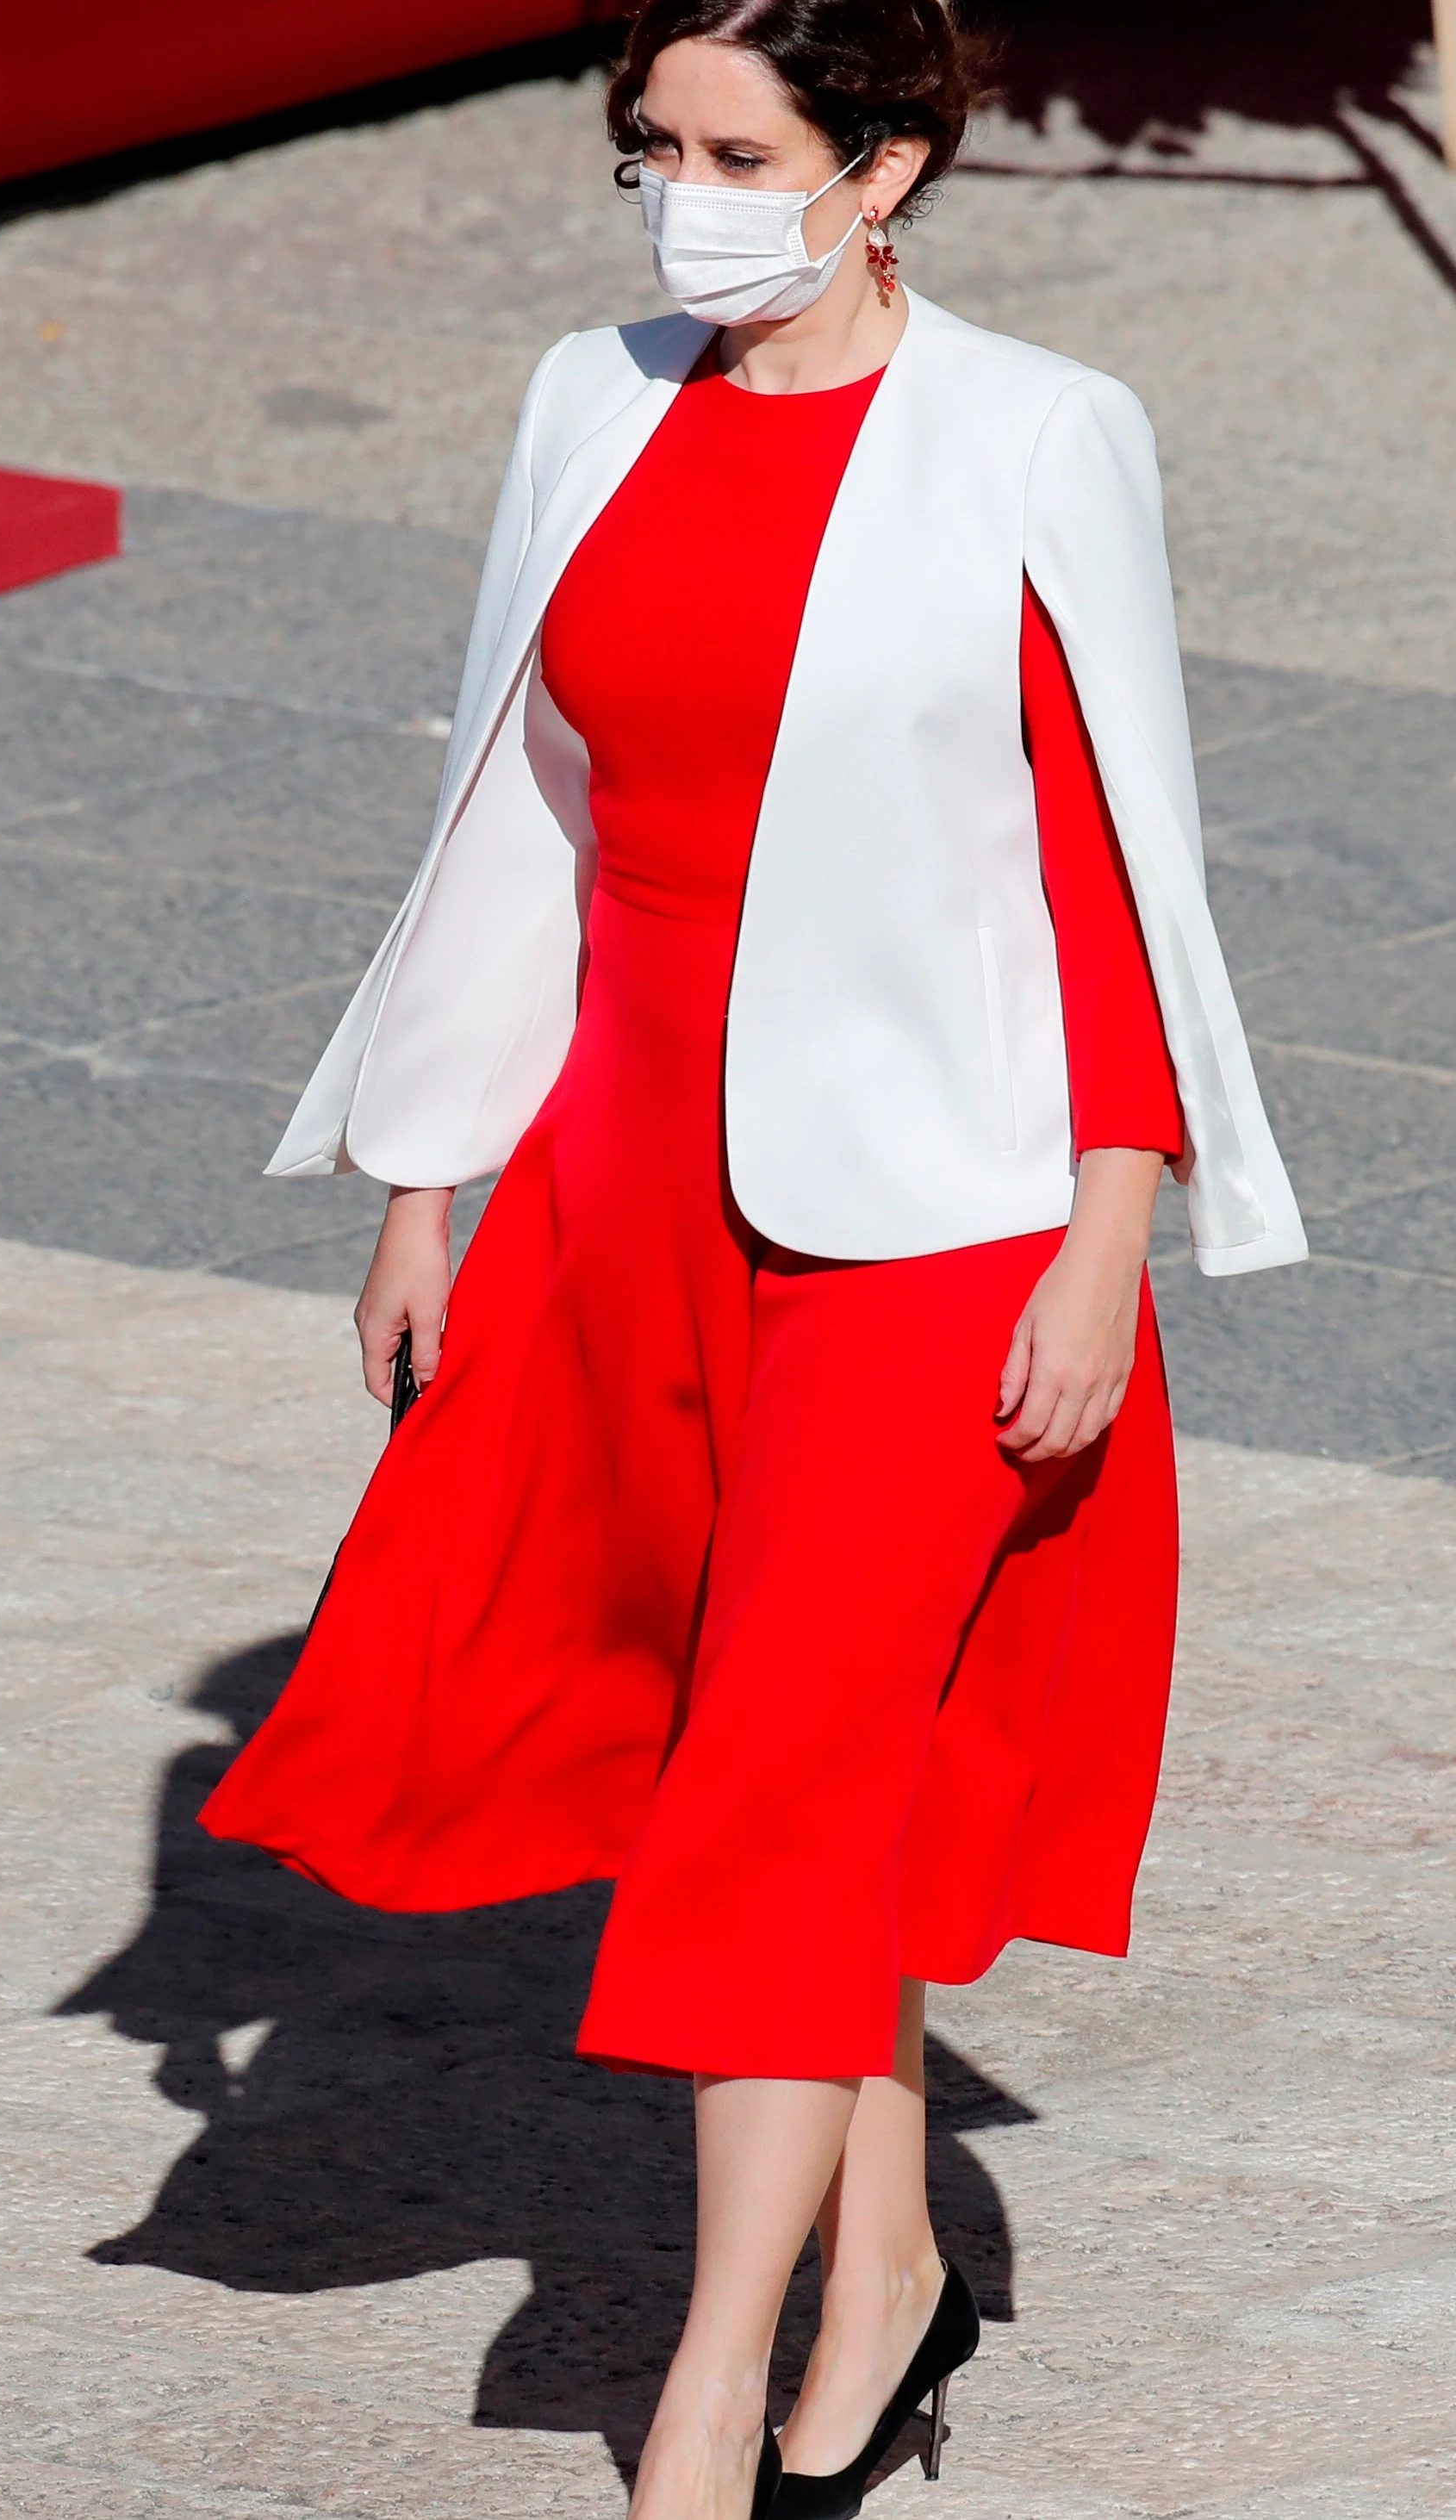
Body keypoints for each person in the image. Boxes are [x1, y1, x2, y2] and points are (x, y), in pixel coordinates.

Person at [204, 1, 1302, 2511]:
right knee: (765, 1745)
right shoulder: (589, 398)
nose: (686, 193)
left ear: (884, 161)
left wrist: (1109, 1234)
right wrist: (425, 1167)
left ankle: (702, 2402)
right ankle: (894, 2269)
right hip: (626, 1165)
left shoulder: (1033, 434)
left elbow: (1115, 867)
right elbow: (513, 806)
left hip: (941, 1204)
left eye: (740, 149)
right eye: (652, 149)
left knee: (779, 1783)